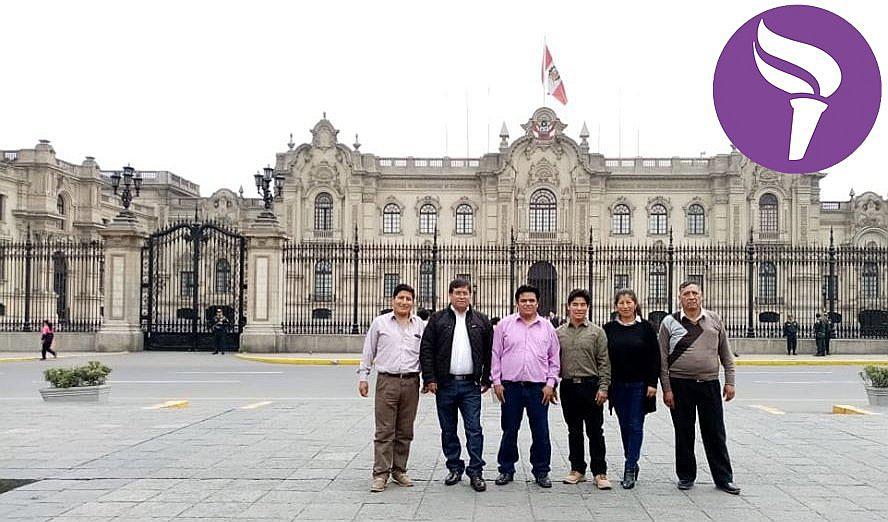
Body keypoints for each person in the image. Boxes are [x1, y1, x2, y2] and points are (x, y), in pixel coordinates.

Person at [659, 281, 740, 495]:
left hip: (709, 383)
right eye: (687, 293)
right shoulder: (669, 322)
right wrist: (666, 388)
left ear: (701, 296)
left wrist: (730, 382)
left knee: (715, 432)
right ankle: (686, 475)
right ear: (680, 297)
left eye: (695, 293)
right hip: (679, 384)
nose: (691, 297)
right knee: (684, 431)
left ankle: (723, 478)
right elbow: (662, 359)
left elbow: (726, 354)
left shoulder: (713, 319)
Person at [420, 279, 493, 492]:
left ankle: (476, 470)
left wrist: (486, 378)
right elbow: (427, 349)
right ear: (450, 295)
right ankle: (454, 466)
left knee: (474, 429)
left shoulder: (481, 320)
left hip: (471, 384)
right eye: (458, 293)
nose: (462, 296)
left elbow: (490, 352)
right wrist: (430, 378)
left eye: (465, 293)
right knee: (448, 429)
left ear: (471, 295)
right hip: (445, 384)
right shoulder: (437, 320)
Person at [491, 284, 560, 488]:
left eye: (531, 300)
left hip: (539, 387)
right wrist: (496, 381)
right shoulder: (505, 325)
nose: (528, 304)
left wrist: (551, 383)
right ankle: (506, 469)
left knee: (541, 431)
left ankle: (541, 471)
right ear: (517, 303)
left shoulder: (548, 327)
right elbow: (495, 355)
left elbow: (554, 358)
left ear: (538, 303)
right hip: (510, 386)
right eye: (524, 300)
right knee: (509, 429)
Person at [358, 284, 425, 493]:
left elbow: (426, 353)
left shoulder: (420, 325)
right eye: (401, 298)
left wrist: (429, 379)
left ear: (413, 302)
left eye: (408, 299)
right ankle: (380, 474)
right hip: (387, 380)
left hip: (411, 381)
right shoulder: (380, 323)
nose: (404, 302)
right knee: (385, 430)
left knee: (405, 429)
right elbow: (368, 350)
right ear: (392, 300)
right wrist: (363, 376)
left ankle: (399, 470)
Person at [603, 288, 660, 489]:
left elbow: (655, 357)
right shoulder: (608, 329)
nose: (625, 306)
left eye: (629, 302)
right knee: (624, 426)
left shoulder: (646, 328)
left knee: (636, 425)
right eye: (622, 303)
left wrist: (653, 383)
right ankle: (632, 461)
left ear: (635, 304)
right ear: (615, 306)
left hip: (640, 385)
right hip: (617, 385)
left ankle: (629, 467)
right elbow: (604, 358)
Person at [556, 289, 612, 490]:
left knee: (595, 430)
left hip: (591, 385)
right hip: (568, 386)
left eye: (582, 305)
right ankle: (577, 469)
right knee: (574, 430)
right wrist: (552, 384)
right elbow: (553, 362)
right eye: (575, 305)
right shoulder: (559, 332)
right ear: (568, 307)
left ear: (588, 308)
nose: (579, 308)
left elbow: (604, 362)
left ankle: (600, 472)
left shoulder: (597, 332)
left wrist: (603, 387)